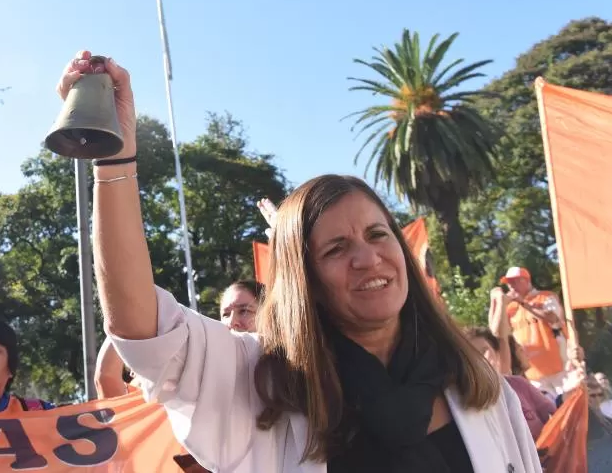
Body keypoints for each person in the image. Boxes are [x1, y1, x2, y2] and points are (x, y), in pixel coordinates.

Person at [56, 51, 542, 473]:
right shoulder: (260, 384)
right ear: (301, 278)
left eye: (378, 234)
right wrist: (114, 159)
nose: (367, 257)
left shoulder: (481, 388)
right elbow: (142, 328)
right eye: (336, 248)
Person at [465, 327, 554, 440]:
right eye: (474, 355)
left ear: (497, 353)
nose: (482, 358)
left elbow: (555, 417)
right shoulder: (472, 405)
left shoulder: (519, 385)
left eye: (484, 350)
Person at [500, 266, 566, 395]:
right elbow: (502, 333)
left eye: (515, 281)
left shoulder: (546, 297)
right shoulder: (511, 308)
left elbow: (553, 318)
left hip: (558, 366)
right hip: (533, 371)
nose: (511, 286)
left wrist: (524, 304)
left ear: (526, 280)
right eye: (509, 283)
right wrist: (501, 305)